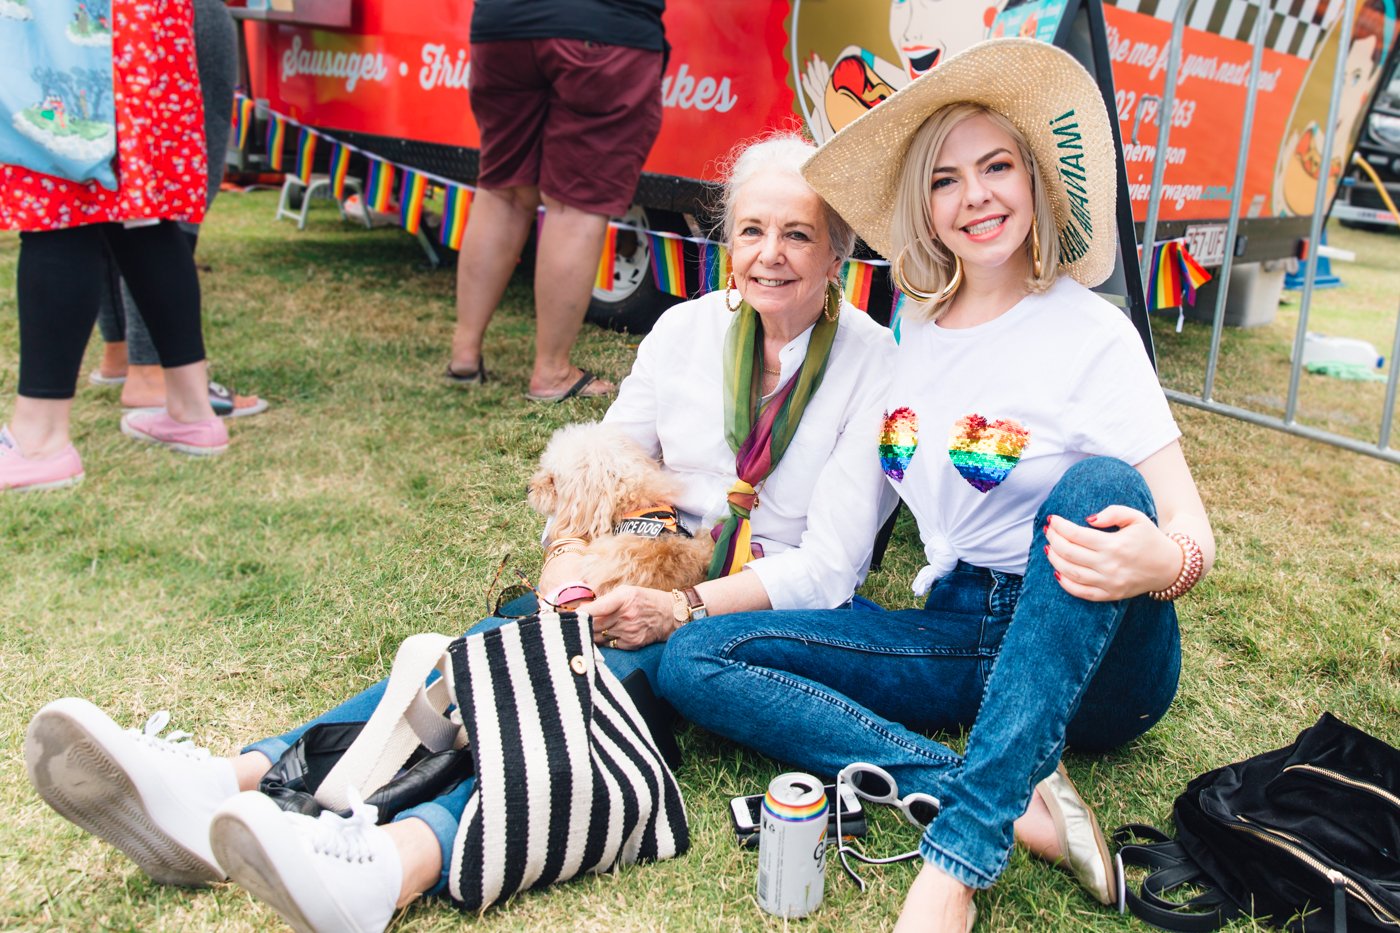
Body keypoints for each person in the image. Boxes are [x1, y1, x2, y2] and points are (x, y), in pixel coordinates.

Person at [25, 134, 898, 932]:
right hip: (641, 560)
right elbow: (604, 465)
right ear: (727, 239)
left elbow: (827, 569)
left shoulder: (871, 361)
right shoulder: (684, 330)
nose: (769, 256)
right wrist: (569, 565)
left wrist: (678, 606)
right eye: (752, 231)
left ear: (838, 251)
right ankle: (233, 781)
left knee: (594, 679)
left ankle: (394, 863)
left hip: (751, 602)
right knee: (502, 642)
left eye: (797, 234)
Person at [660, 38, 1216, 932]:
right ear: (924, 205)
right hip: (962, 626)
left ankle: (958, 856)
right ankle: (995, 781)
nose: (975, 197)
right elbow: (846, 538)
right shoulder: (909, 333)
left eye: (996, 166)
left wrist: (1162, 559)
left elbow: (1193, 527)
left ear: (1035, 180)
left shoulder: (1092, 333)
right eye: (946, 179)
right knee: (699, 655)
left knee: (1097, 484)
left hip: (1100, 646)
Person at [0, 0, 228, 493]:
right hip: (144, 25)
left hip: (73, 25)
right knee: (141, 211)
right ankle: (192, 411)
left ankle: (39, 440)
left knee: (61, 195)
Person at [444, 0, 667, 401]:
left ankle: (464, 354)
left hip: (503, 22)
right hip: (602, 25)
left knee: (501, 192)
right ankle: (551, 372)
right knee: (575, 204)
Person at [90, 0, 267, 419]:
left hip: (104, 18)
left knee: (114, 183)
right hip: (170, 16)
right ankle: (151, 371)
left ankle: (122, 353)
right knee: (173, 187)